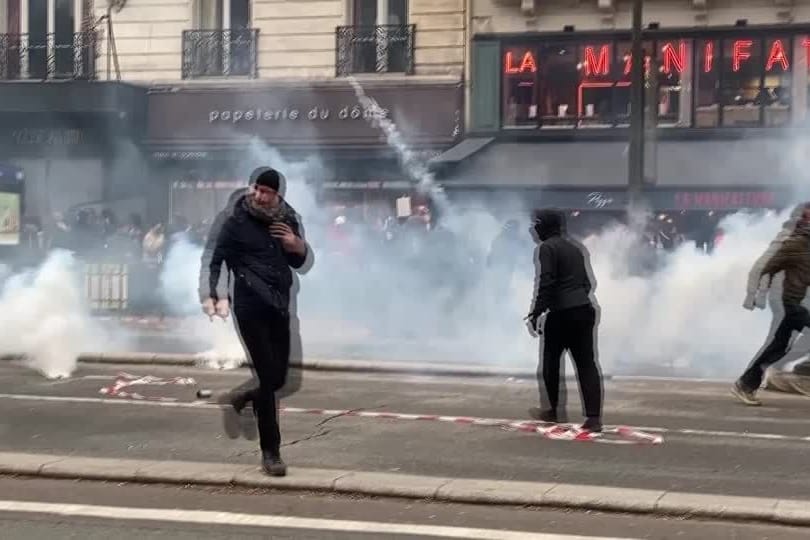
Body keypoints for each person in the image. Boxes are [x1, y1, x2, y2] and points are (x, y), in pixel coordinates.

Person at [201, 167, 310, 476]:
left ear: (278, 195)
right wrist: (214, 294)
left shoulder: (287, 219)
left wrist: (296, 246)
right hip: (249, 307)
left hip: (280, 306)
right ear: (252, 189)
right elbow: (216, 259)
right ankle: (271, 453)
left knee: (276, 378)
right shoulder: (236, 220)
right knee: (268, 382)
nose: (261, 195)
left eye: (268, 191)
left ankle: (241, 396)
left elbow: (298, 262)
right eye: (258, 189)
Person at [525, 209, 603, 432]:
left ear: (545, 226)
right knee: (587, 365)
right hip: (584, 310)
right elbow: (589, 284)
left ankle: (553, 411)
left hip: (561, 314)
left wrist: (536, 312)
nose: (534, 229)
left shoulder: (546, 248)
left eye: (536, 224)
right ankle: (594, 418)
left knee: (550, 364)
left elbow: (546, 283)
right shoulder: (575, 248)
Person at [734, 206, 810, 406]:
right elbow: (766, 267)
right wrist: (756, 295)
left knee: (778, 347)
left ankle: (745, 384)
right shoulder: (794, 244)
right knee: (779, 346)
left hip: (797, 303)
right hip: (790, 304)